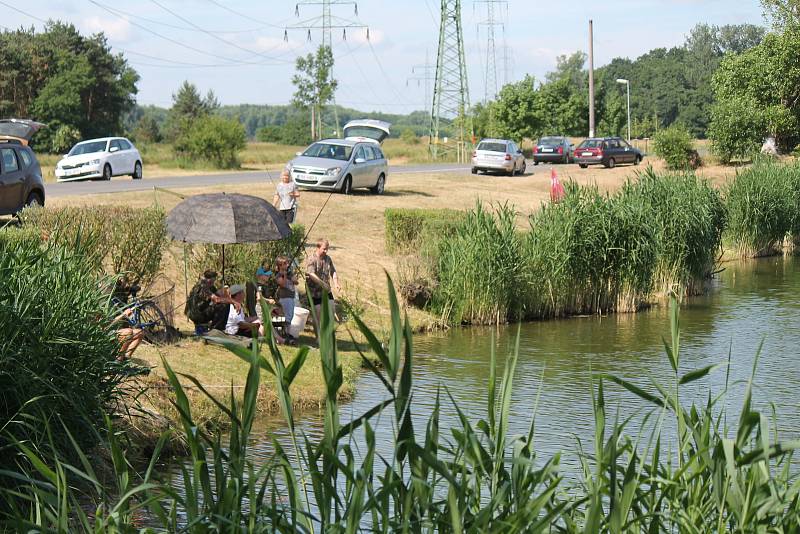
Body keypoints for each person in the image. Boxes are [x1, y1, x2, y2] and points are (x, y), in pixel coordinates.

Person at [185, 269, 236, 335]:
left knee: (225, 303)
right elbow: (217, 299)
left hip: (200, 311)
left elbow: (218, 295)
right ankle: (216, 330)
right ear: (207, 279)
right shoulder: (202, 286)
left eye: (213, 281)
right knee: (223, 305)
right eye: (211, 281)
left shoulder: (210, 286)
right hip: (196, 314)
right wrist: (233, 302)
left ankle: (220, 329)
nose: (212, 283)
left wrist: (225, 292)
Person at [305, 238, 341, 325]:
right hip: (314, 293)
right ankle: (318, 337)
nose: (326, 251)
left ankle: (328, 333)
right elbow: (311, 274)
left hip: (326, 291)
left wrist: (336, 283)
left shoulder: (328, 259)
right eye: (324, 249)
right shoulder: (311, 259)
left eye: (327, 249)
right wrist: (323, 284)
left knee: (331, 310)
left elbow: (333, 271)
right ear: (318, 247)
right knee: (317, 316)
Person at [275, 255, 299, 340]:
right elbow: (283, 284)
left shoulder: (289, 273)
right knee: (286, 316)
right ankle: (285, 334)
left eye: (287, 263)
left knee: (290, 315)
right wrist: (284, 275)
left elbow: (296, 282)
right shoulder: (278, 275)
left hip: (291, 298)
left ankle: (287, 333)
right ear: (280, 265)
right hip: (285, 298)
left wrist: (291, 276)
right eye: (285, 263)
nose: (287, 265)